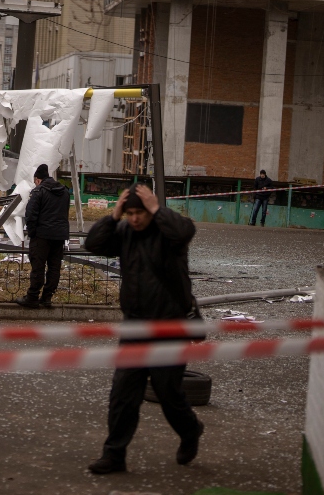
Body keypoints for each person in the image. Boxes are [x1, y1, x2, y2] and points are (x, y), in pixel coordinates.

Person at [83, 184, 204, 474]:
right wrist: (113, 217)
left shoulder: (168, 234)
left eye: (140, 213)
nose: (135, 219)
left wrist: (157, 209)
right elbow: (93, 244)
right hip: (135, 326)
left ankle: (190, 431)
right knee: (123, 393)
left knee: (168, 393)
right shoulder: (124, 232)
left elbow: (185, 231)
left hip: (168, 327)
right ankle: (114, 455)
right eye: (130, 213)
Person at [16, 164, 70, 309]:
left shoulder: (38, 191)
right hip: (59, 236)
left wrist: (32, 233)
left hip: (42, 236)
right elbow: (64, 213)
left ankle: (32, 297)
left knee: (38, 267)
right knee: (54, 268)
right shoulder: (64, 191)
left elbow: (30, 215)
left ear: (38, 179)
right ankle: (47, 298)